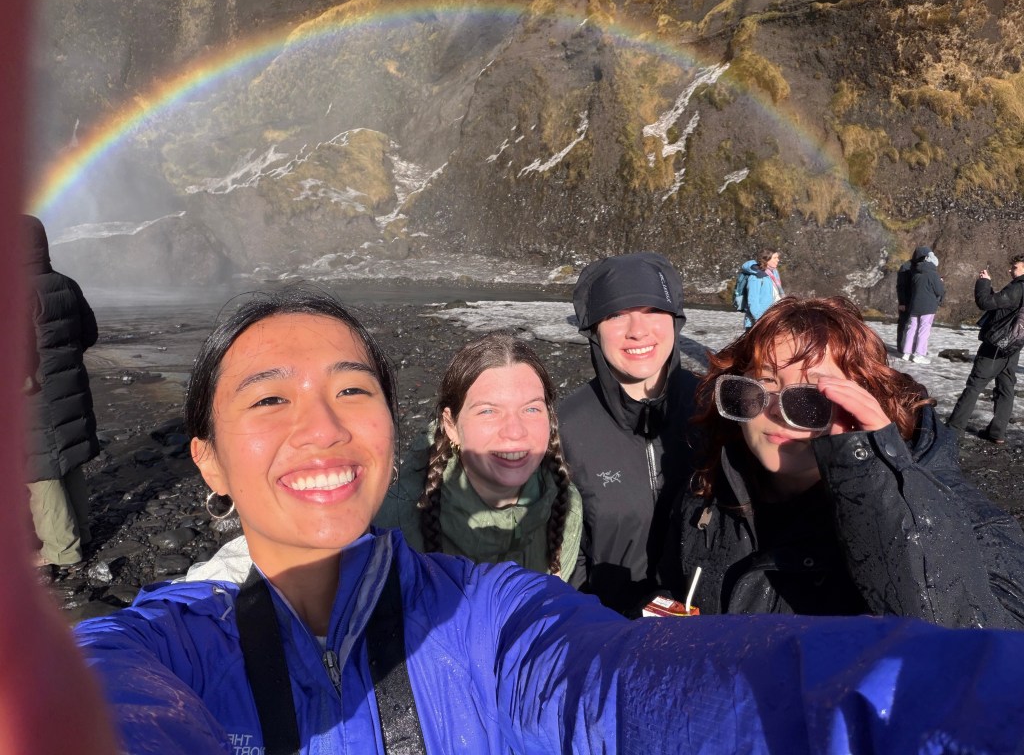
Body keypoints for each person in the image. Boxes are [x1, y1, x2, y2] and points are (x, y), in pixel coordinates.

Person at [3, 286, 1024, 754]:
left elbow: (642, 688)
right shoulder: (159, 644)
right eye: (269, 398)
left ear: (391, 432)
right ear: (208, 463)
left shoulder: (492, 617)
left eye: (352, 390)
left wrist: (969, 705)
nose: (320, 426)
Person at [673, 295, 1024, 627]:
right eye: (764, 382)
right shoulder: (709, 486)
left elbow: (990, 647)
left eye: (812, 396)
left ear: (868, 400)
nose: (778, 412)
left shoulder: (971, 522)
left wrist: (871, 483)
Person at [375, 331, 583, 580]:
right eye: (488, 411)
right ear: (451, 425)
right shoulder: (396, 520)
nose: (515, 431)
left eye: (531, 409)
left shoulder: (565, 504)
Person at [558, 252, 698, 615]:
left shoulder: (713, 409)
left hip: (709, 630)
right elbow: (564, 554)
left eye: (653, 310)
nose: (638, 329)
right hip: (609, 629)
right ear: (594, 329)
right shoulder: (564, 426)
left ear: (675, 320)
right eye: (616, 314)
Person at [21, 214, 100, 569]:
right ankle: (82, 533)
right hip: (70, 388)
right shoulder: (66, 284)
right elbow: (89, 334)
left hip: (35, 398)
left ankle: (61, 550)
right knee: (68, 463)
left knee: (41, 472)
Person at [947, 253, 1024, 445]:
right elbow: (1004, 306)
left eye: (1015, 267)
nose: (1010, 270)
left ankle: (954, 429)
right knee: (1006, 388)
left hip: (997, 346)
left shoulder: (1018, 287)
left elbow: (985, 303)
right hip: (1014, 346)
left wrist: (983, 282)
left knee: (975, 385)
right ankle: (997, 433)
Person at [899, 246, 944, 364]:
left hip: (914, 305)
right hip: (928, 307)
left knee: (911, 328)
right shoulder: (933, 275)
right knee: (924, 330)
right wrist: (940, 283)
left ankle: (906, 352)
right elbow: (939, 291)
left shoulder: (915, 274)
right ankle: (919, 354)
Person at [738, 248, 784, 329]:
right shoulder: (756, 277)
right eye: (775, 258)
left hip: (772, 320)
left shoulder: (774, 274)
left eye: (777, 257)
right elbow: (753, 302)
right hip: (758, 323)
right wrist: (760, 321)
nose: (778, 260)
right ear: (767, 259)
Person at [894, 253, 912, 352]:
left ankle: (903, 346)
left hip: (909, 300)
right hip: (907, 300)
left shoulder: (908, 266)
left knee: (906, 323)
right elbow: (901, 287)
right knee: (904, 323)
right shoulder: (907, 267)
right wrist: (902, 302)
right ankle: (901, 347)